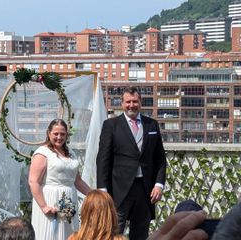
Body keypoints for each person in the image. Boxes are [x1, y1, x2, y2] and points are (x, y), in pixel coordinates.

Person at [96, 86, 167, 240]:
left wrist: (159, 184)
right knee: (114, 233)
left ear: (140, 102)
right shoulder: (111, 125)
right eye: (128, 102)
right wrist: (102, 190)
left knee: (141, 233)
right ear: (122, 103)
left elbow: (160, 158)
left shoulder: (152, 125)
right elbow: (103, 159)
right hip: (118, 191)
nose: (131, 105)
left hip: (145, 189)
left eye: (135, 101)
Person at [28, 119, 91, 240]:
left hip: (69, 200)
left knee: (69, 234)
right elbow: (33, 181)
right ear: (48, 133)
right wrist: (44, 206)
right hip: (50, 200)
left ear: (67, 134)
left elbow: (77, 181)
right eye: (55, 134)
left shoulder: (71, 153)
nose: (59, 137)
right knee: (51, 234)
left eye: (62, 134)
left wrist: (93, 194)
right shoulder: (42, 153)